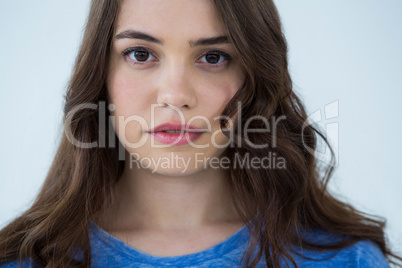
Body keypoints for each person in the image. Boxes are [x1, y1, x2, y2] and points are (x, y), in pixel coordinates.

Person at [0, 0, 401, 267]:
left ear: (255, 80)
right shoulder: (23, 261)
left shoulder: (346, 260)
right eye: (141, 54)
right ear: (101, 76)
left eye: (213, 57)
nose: (176, 94)